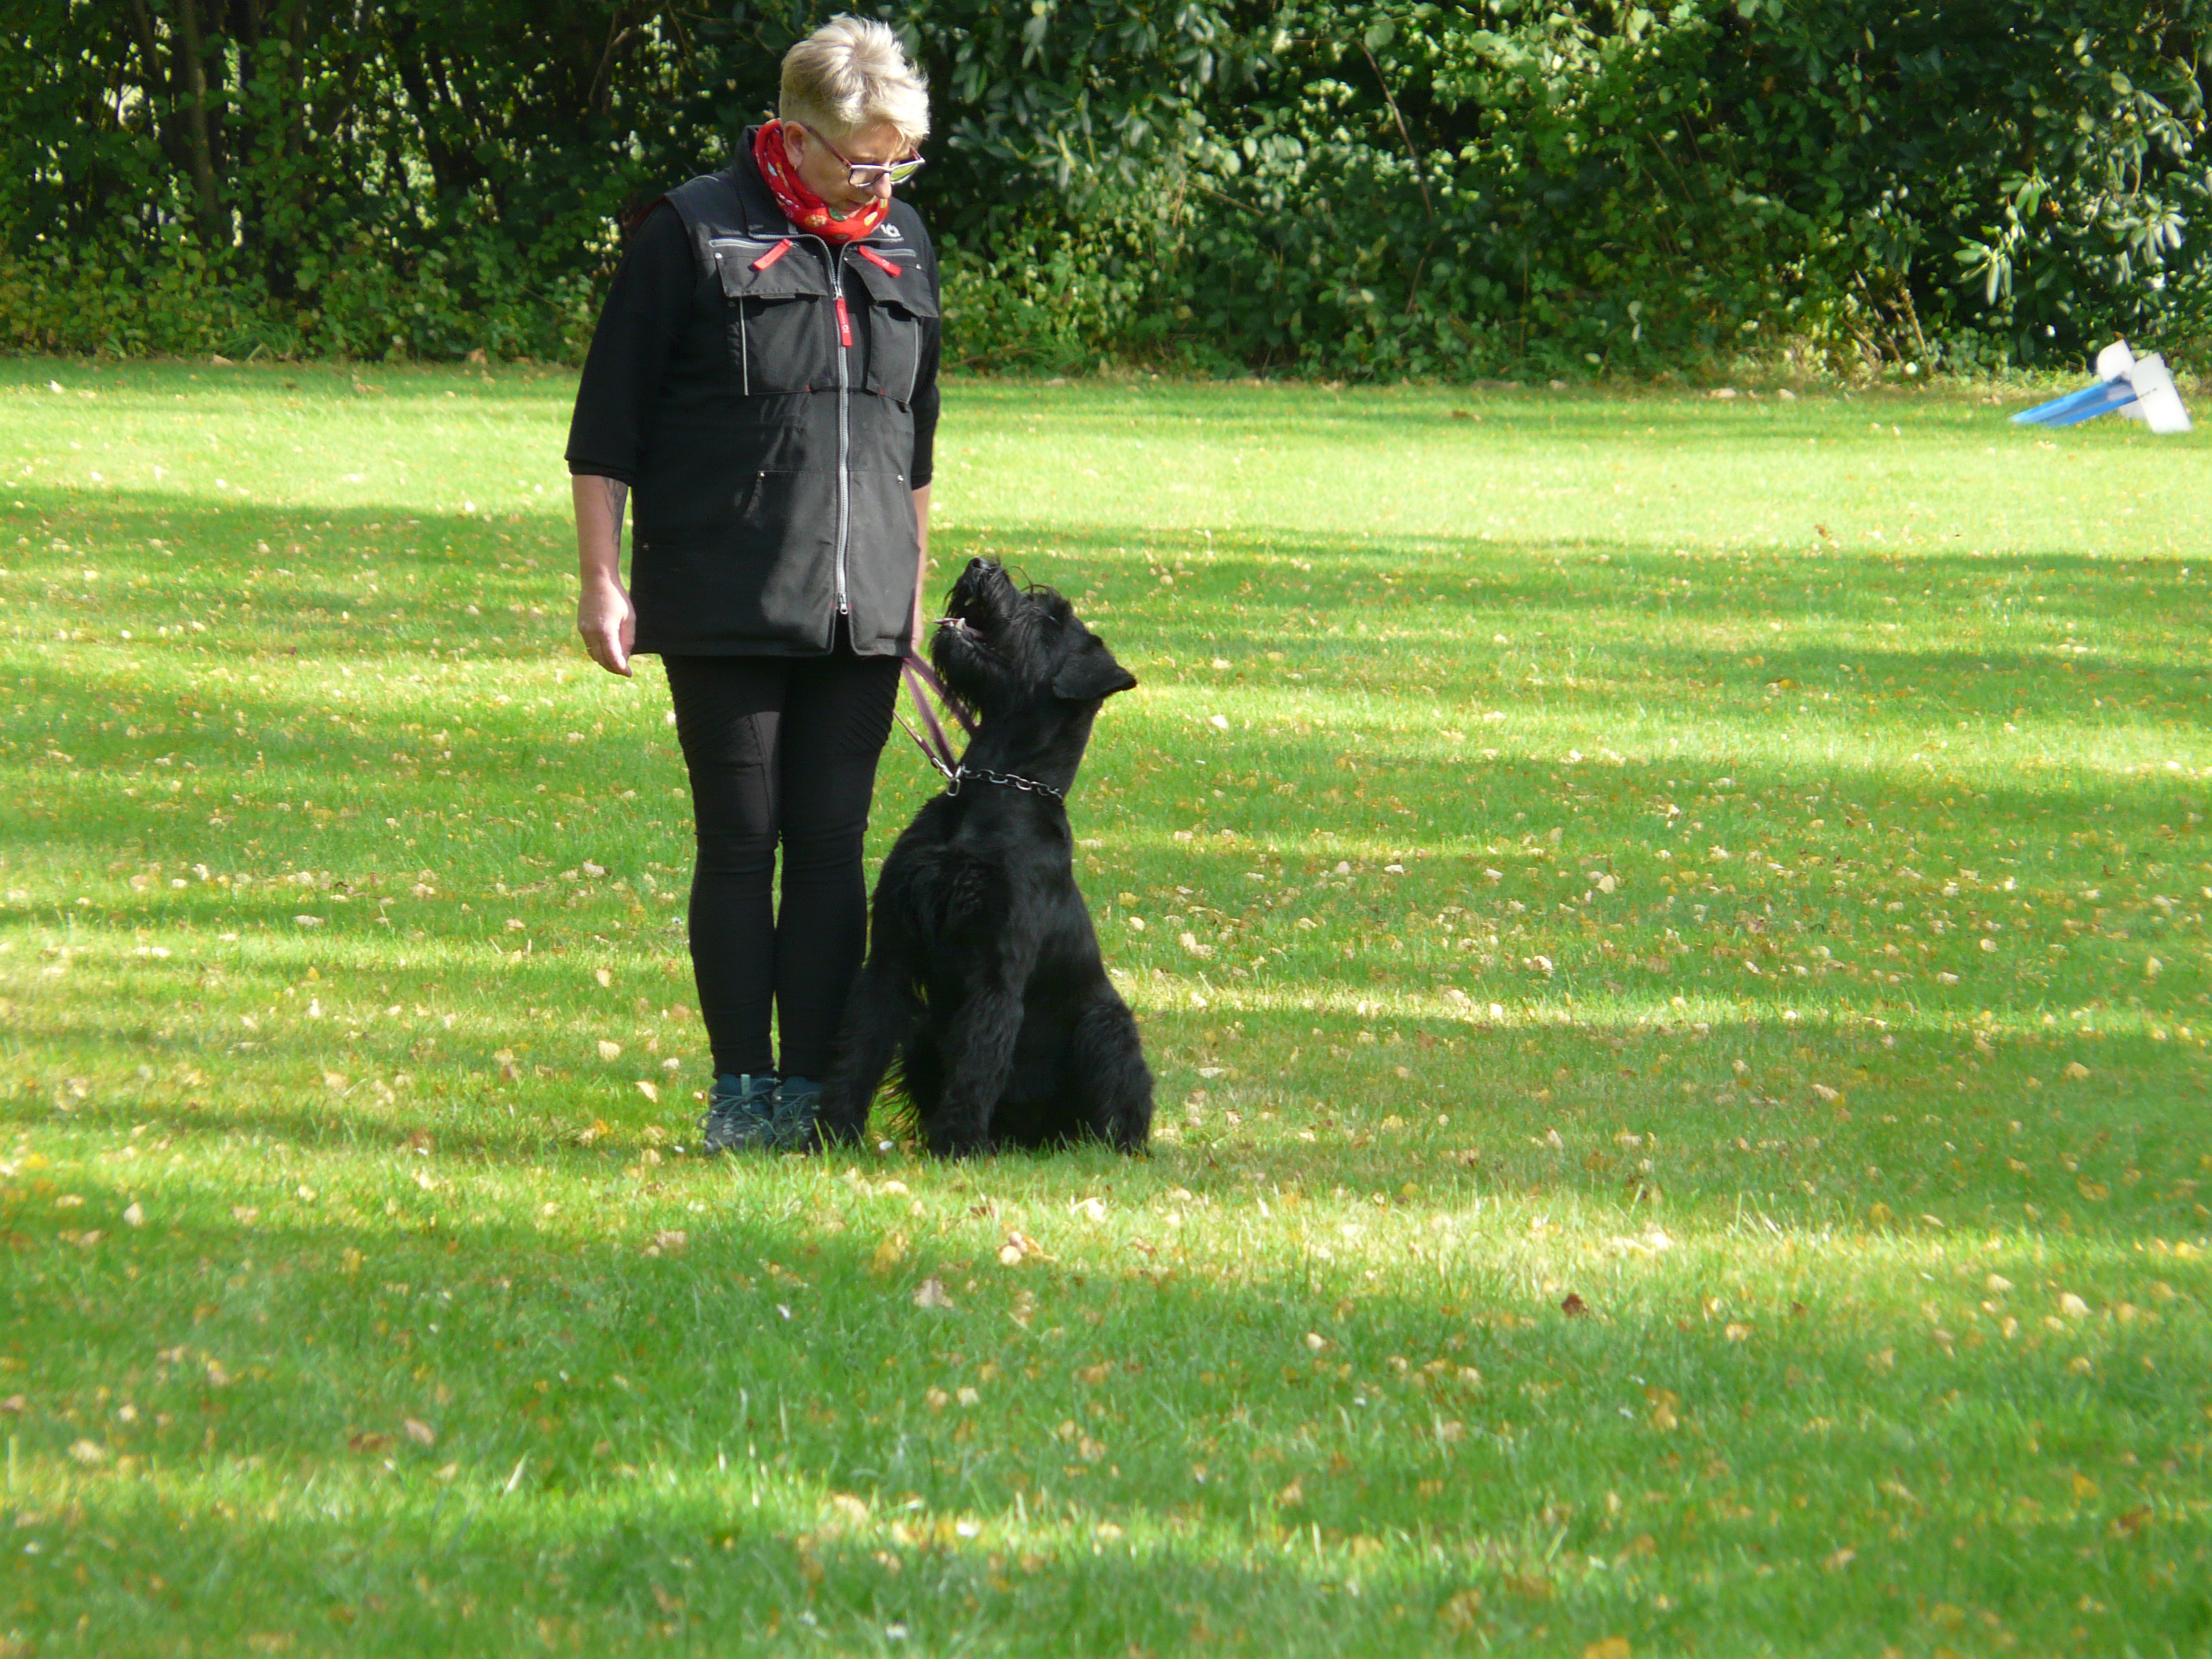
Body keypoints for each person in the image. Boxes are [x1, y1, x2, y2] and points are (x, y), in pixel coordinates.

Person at [563, 16, 940, 1152]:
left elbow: (913, 444)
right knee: (741, 844)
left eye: (899, 161)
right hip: (726, 593)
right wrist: (600, 579)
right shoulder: (690, 231)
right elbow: (605, 428)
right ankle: (741, 1090)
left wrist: (910, 594)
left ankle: (818, 1099)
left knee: (831, 849)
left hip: (861, 606)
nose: (882, 181)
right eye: (863, 159)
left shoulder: (906, 243)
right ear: (794, 134)